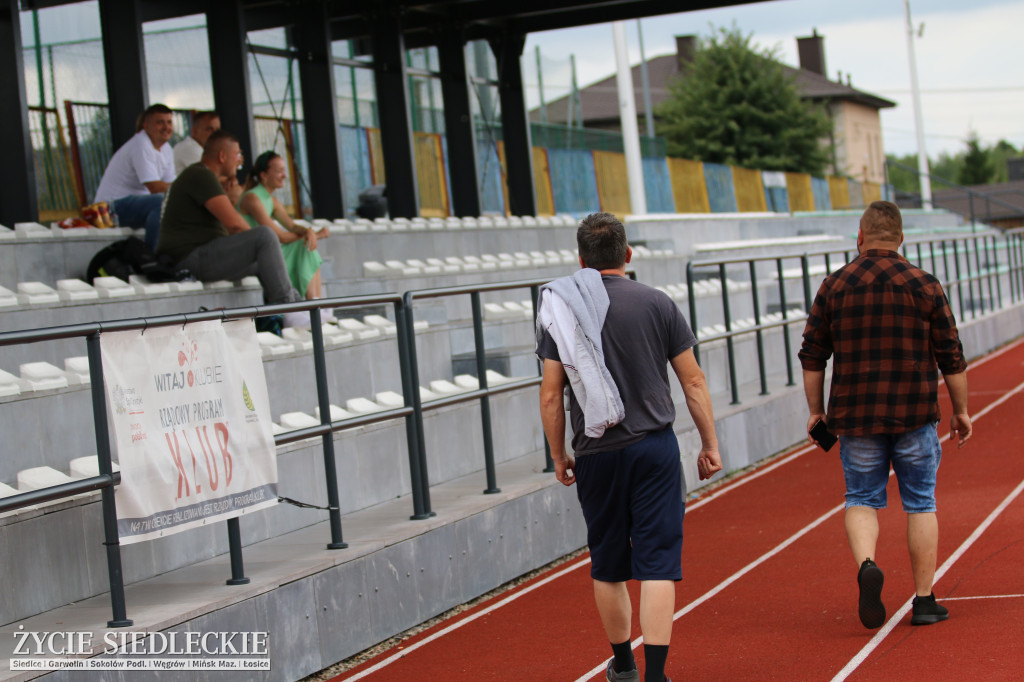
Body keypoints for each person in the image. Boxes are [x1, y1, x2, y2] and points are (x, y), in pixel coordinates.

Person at [536, 212, 722, 682]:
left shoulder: (562, 310)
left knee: (608, 564)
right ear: (628, 255)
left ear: (580, 260)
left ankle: (623, 666)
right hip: (654, 448)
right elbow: (693, 380)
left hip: (597, 452)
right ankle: (657, 675)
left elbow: (550, 393)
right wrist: (709, 443)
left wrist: (559, 454)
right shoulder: (657, 303)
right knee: (658, 563)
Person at [799, 200, 972, 630]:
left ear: (859, 238)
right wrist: (962, 411)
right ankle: (925, 600)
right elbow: (952, 357)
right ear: (901, 239)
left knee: (861, 499)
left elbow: (812, 356)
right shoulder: (925, 284)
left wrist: (816, 412)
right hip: (914, 413)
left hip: (855, 418)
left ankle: (867, 565)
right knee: (920, 502)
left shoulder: (834, 286)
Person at [156, 130, 302, 310]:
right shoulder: (200, 174)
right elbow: (235, 225)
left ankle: (285, 311)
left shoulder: (206, 176)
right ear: (222, 156)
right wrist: (257, 242)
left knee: (263, 262)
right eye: (237, 154)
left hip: (200, 255)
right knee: (265, 236)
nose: (240, 160)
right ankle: (290, 307)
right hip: (189, 259)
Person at [237, 151, 330, 302]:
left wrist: (308, 232)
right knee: (304, 245)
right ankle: (313, 305)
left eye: (284, 170)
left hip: (265, 254)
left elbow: (292, 226)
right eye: (279, 171)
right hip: (251, 258)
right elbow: (279, 237)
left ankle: (314, 304)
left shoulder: (271, 200)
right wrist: (315, 235)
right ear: (264, 175)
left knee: (306, 246)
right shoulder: (252, 198)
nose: (285, 176)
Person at [94, 103, 176, 251]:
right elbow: (155, 188)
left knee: (172, 204)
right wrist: (187, 188)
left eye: (169, 122)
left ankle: (168, 257)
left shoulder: (167, 149)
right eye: (160, 122)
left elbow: (170, 186)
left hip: (128, 208)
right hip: (105, 212)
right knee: (160, 202)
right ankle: (152, 259)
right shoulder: (141, 144)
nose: (166, 127)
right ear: (146, 126)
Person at [173, 111, 221, 175]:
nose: (215, 134)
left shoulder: (204, 148)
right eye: (209, 129)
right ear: (195, 131)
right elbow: (211, 177)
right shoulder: (189, 148)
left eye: (217, 130)